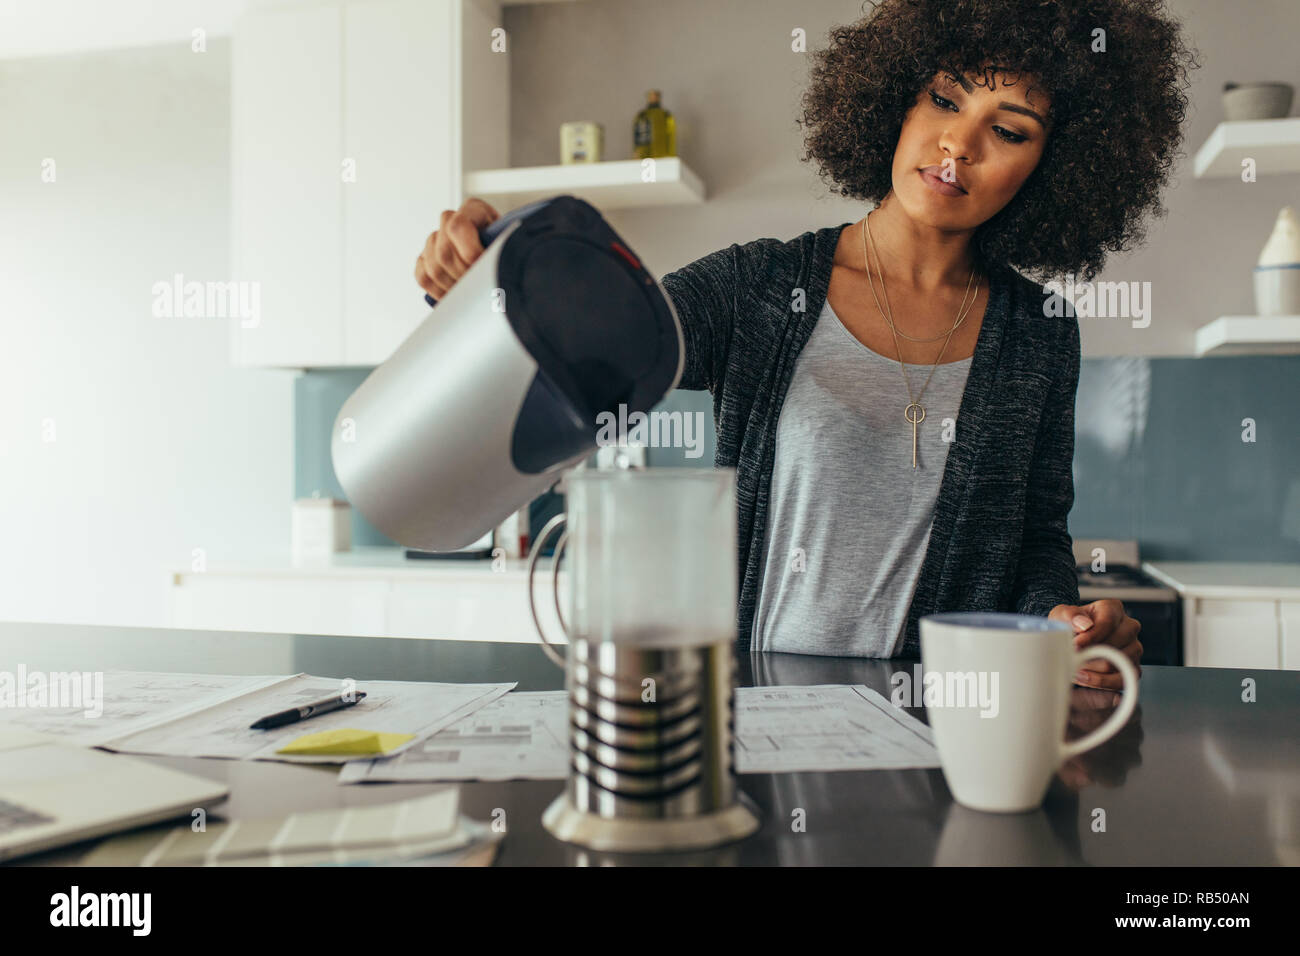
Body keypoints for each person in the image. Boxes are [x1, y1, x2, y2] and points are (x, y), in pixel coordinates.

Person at [414, 0, 1200, 689]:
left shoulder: (1040, 333)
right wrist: (488, 280)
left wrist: (1064, 622)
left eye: (1008, 130)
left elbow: (1035, 543)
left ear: (1053, 167)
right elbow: (601, 345)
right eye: (943, 98)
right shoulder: (760, 286)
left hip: (946, 736)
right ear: (898, 97)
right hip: (758, 726)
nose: (957, 145)